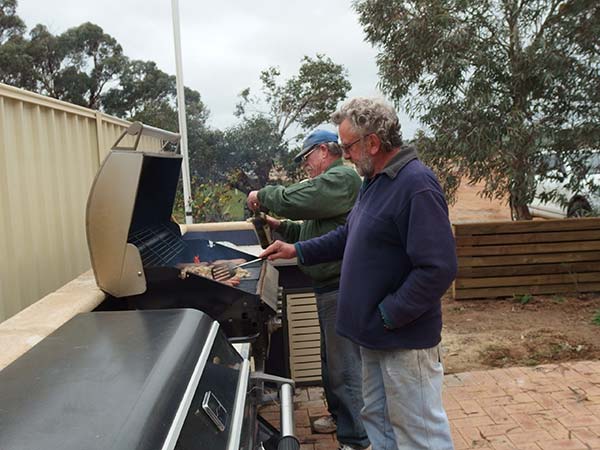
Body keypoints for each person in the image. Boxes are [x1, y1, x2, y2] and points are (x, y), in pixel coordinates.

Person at [259, 98, 457, 450]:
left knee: (419, 434)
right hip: (373, 335)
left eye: (348, 146)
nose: (345, 155)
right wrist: (298, 249)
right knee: (379, 425)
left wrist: (390, 314)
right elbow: (348, 235)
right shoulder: (374, 182)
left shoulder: (416, 185)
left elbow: (438, 268)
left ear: (373, 143)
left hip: (403, 340)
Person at [247, 129, 370, 450]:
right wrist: (282, 227)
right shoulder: (330, 187)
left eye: (306, 157)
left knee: (344, 367)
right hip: (327, 286)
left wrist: (262, 195)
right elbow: (315, 228)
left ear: (325, 151)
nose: (305, 165)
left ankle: (356, 439)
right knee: (330, 364)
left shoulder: (341, 178)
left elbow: (299, 201)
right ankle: (340, 418)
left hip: (342, 286)